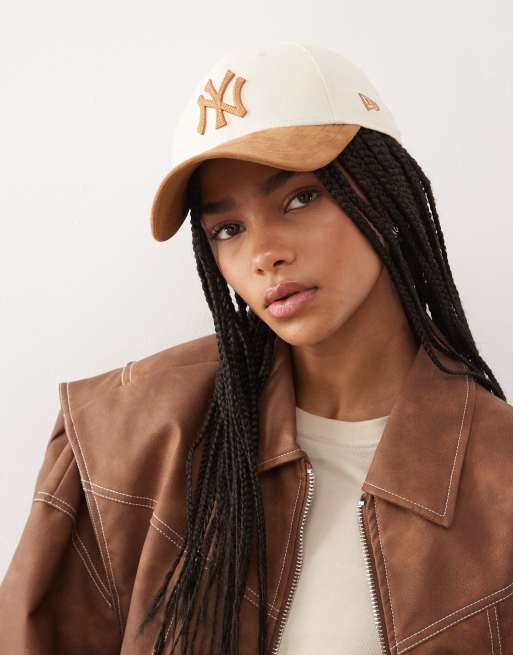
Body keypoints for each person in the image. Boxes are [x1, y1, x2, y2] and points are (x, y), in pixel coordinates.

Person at [1, 40, 512, 655]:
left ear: (385, 192)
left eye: (300, 197)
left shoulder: (499, 477)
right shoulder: (124, 434)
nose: (264, 253)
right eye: (228, 229)